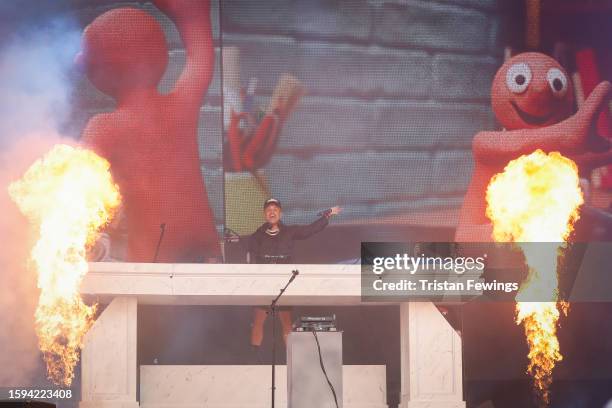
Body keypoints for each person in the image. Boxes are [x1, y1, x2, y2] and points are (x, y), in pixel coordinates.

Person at [248, 198, 341, 347]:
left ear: (280, 213)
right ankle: (255, 356)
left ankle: (289, 356)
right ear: (264, 214)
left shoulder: (289, 232)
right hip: (264, 283)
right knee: (258, 319)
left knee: (286, 321)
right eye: (269, 210)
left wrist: (327, 215)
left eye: (275, 210)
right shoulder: (257, 235)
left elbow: (310, 230)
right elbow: (250, 254)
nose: (272, 212)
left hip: (284, 283)